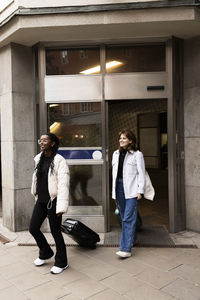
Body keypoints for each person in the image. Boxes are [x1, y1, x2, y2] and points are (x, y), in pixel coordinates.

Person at [29, 133, 70, 274]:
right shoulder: (38, 158)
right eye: (40, 140)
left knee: (55, 232)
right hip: (40, 201)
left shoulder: (59, 161)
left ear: (52, 143)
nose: (41, 142)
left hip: (53, 202)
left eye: (45, 140)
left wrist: (61, 207)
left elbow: (64, 185)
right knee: (33, 228)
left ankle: (62, 262)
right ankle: (46, 252)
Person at [112, 129, 145, 258]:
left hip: (131, 189)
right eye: (120, 138)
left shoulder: (137, 154)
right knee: (123, 216)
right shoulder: (115, 154)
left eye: (124, 138)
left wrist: (140, 190)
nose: (121, 140)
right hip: (119, 188)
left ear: (131, 140)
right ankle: (133, 239)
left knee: (128, 218)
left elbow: (141, 174)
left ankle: (125, 249)